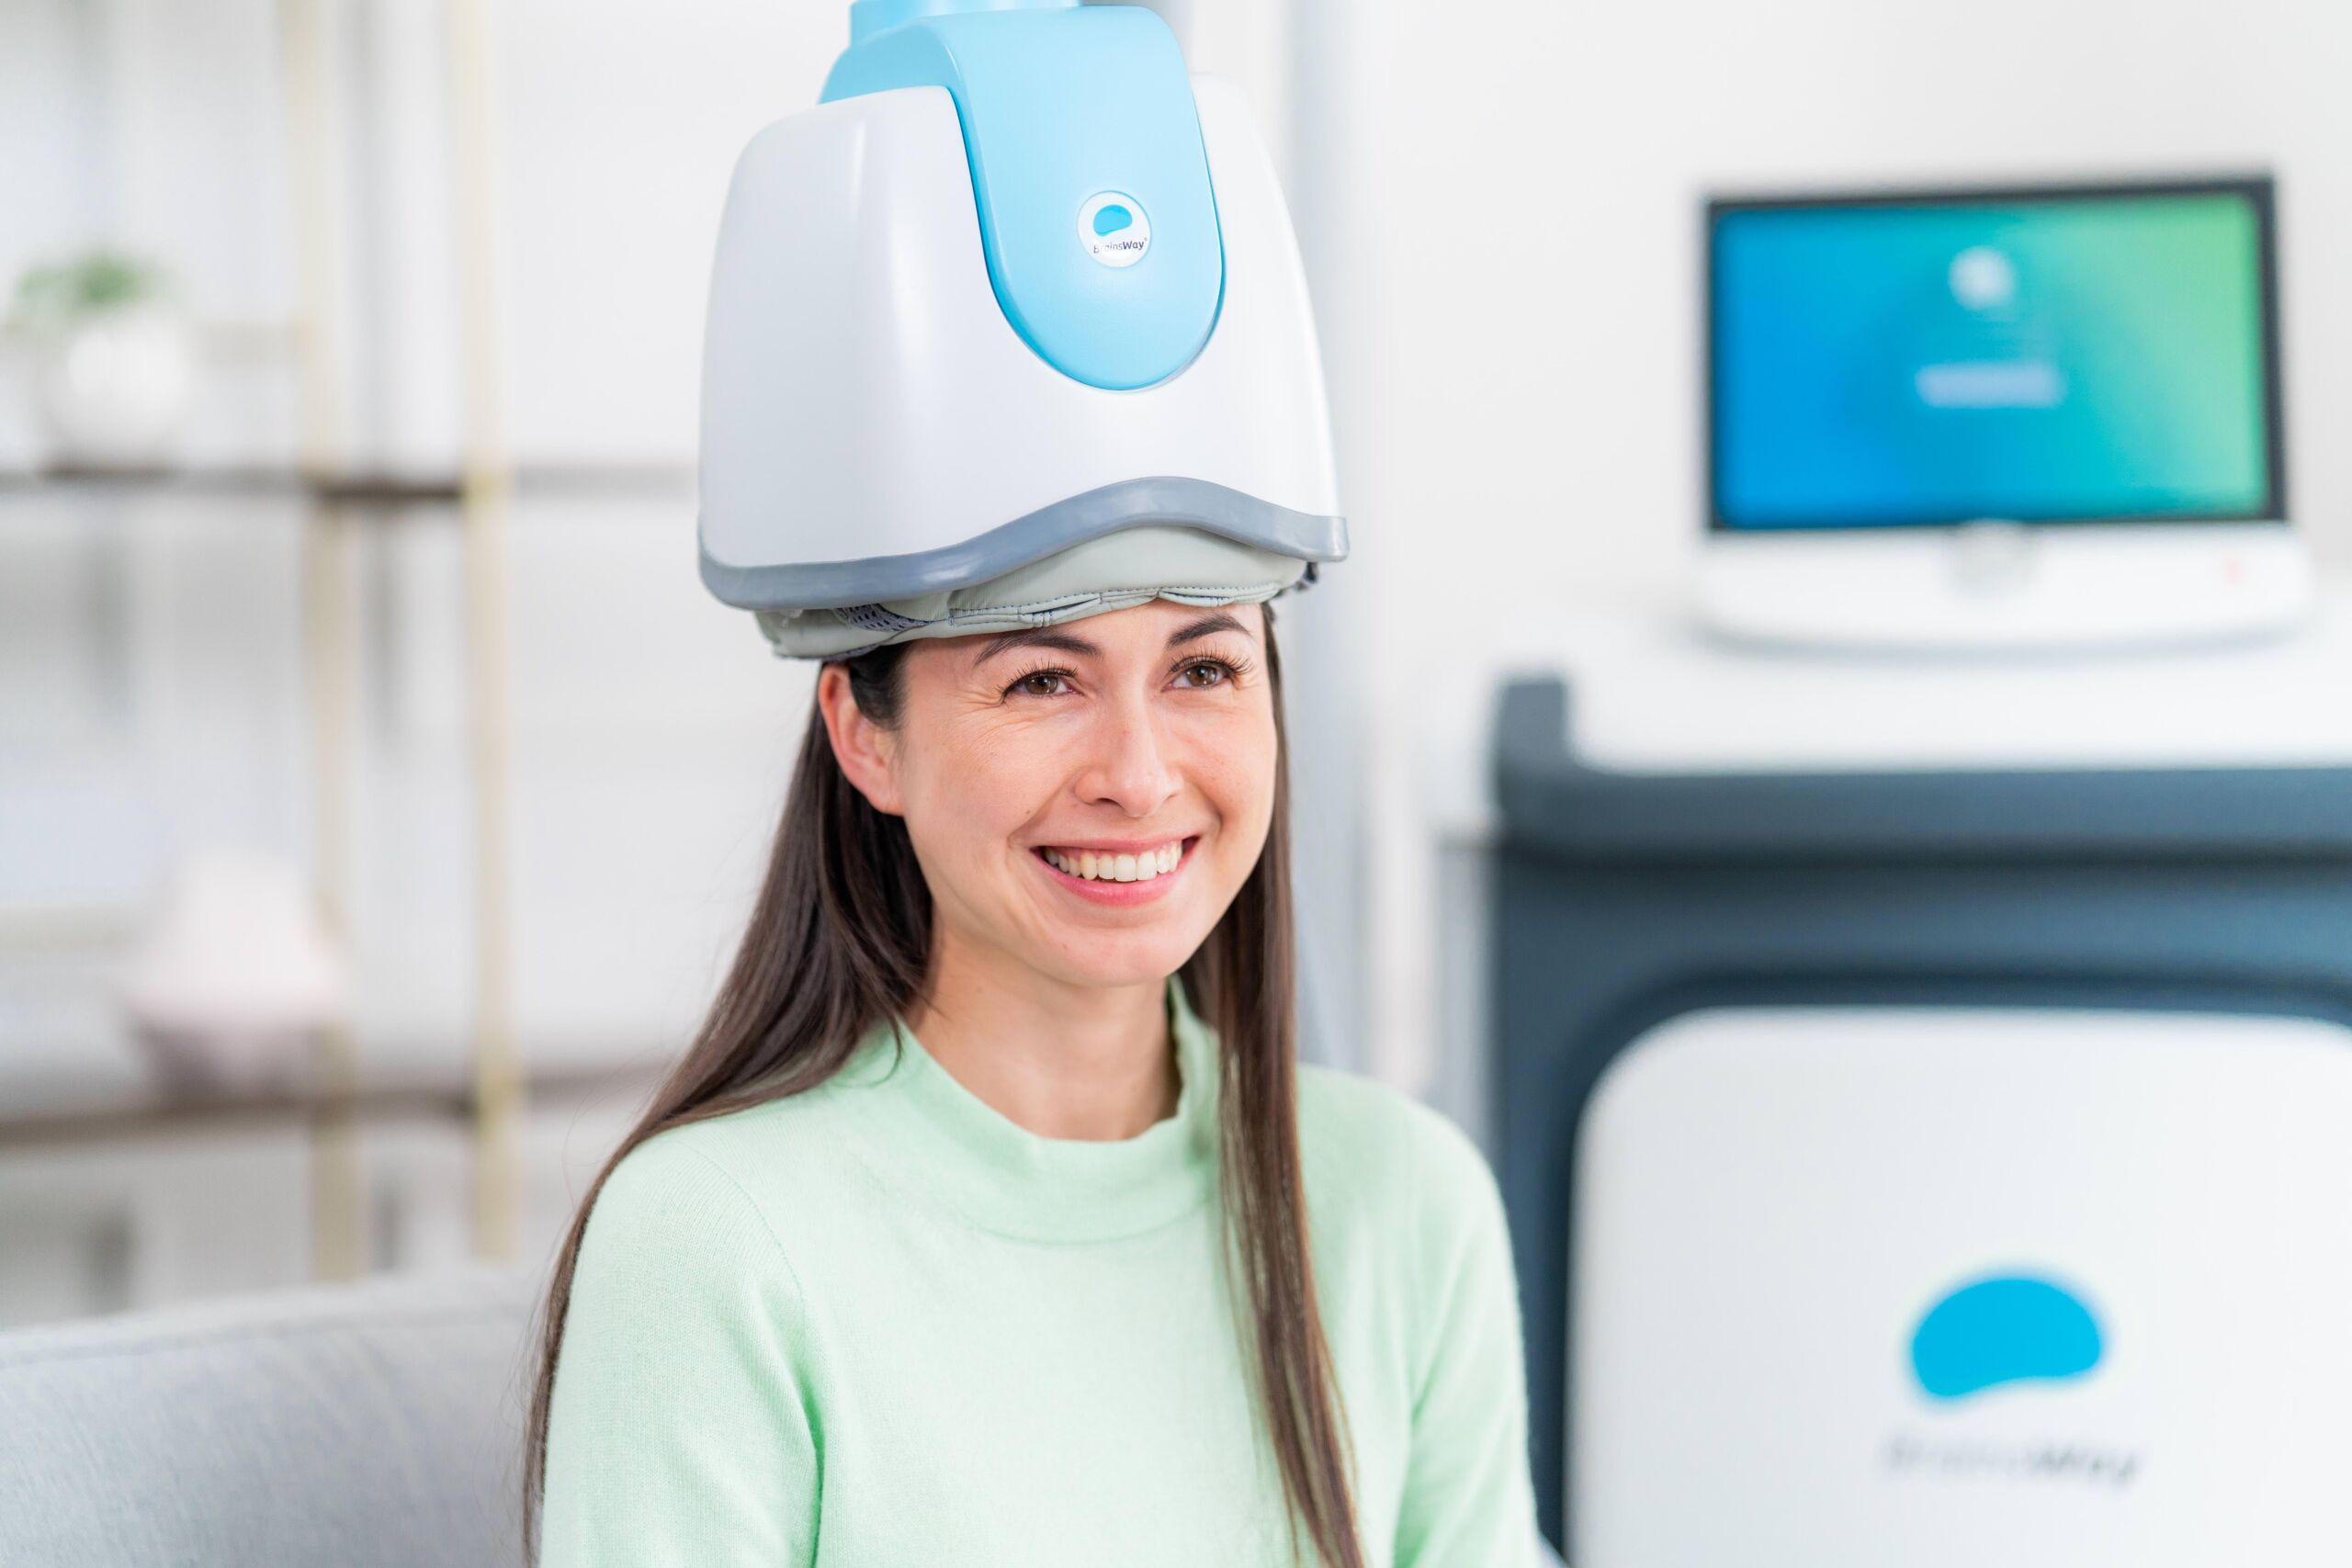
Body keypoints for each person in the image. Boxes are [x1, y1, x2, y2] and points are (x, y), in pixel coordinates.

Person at [526, 3, 1541, 1562]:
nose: (1140, 774)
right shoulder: (716, 1247)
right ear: (864, 733)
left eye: (1204, 668)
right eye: (1042, 681)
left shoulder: (1403, 1205)